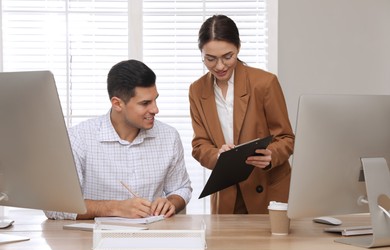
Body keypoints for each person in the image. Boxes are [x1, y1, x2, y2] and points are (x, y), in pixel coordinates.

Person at [45, 59, 192, 220]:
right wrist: (115, 208)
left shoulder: (169, 137)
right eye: (145, 103)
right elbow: (55, 207)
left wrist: (170, 202)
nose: (155, 109)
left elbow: (181, 188)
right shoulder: (79, 138)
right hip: (93, 239)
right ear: (117, 104)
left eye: (155, 99)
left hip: (152, 237)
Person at [189, 15, 294, 214]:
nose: (219, 66)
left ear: (238, 48)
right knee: (226, 244)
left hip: (266, 187)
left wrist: (271, 155)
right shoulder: (197, 90)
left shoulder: (265, 83)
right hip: (227, 190)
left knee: (273, 245)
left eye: (227, 56)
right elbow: (199, 145)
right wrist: (217, 155)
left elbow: (287, 138)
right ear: (201, 54)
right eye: (210, 59)